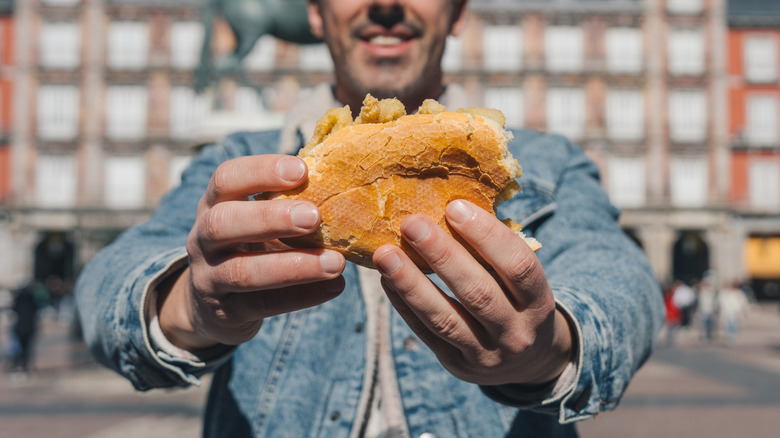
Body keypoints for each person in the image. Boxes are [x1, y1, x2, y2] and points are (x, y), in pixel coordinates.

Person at [75, 1, 664, 437]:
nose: (385, 5)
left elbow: (621, 278)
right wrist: (188, 306)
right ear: (313, 13)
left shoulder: (542, 161)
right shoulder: (238, 162)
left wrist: (548, 348)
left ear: (457, 14)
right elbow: (107, 284)